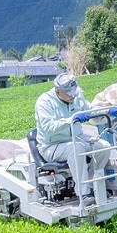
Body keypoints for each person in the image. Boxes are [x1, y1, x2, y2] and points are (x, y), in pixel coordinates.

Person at [31, 71, 109, 202]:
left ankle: (92, 186)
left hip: (77, 137)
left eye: (74, 93)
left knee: (103, 147)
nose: (73, 97)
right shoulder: (44, 102)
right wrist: (72, 119)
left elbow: (89, 110)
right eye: (69, 94)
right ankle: (83, 194)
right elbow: (49, 128)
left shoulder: (76, 95)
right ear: (58, 92)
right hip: (52, 145)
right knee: (76, 148)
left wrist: (107, 112)